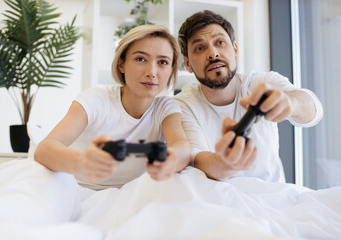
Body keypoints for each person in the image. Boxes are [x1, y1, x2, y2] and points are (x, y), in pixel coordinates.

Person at [34, 25, 191, 190]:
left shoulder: (166, 108)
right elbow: (45, 148)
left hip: (127, 194)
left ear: (171, 70)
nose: (152, 72)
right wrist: (81, 162)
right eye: (140, 59)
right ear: (121, 64)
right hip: (76, 188)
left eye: (163, 62)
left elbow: (181, 146)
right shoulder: (95, 99)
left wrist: (172, 160)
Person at [173, 10, 323, 182]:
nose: (213, 53)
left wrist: (291, 103)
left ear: (235, 50)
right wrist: (226, 163)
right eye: (200, 48)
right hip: (219, 202)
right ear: (187, 64)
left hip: (273, 198)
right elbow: (197, 160)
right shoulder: (182, 106)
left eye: (220, 42)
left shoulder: (263, 82)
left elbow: (314, 111)